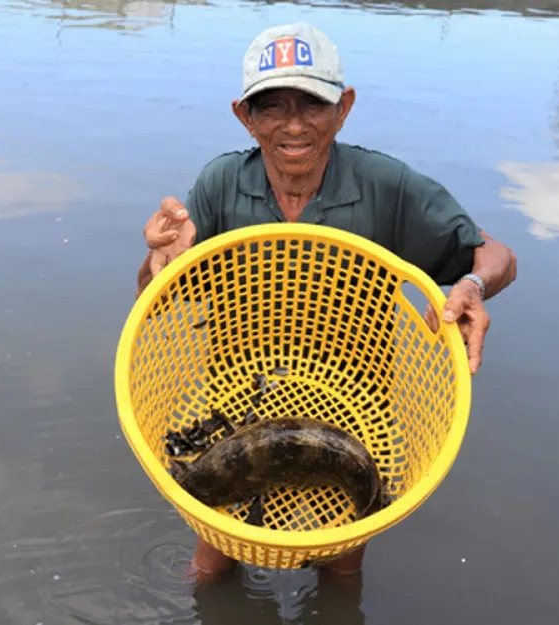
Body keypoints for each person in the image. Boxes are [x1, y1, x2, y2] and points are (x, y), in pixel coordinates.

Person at [136, 22, 518, 580]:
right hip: (238, 404)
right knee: (210, 567)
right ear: (245, 116)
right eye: (272, 107)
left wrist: (473, 286)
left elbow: (498, 255)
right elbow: (155, 300)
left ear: (344, 107)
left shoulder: (386, 186)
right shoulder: (220, 185)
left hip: (353, 409)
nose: (293, 125)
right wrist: (157, 263)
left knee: (340, 570)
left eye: (313, 104)